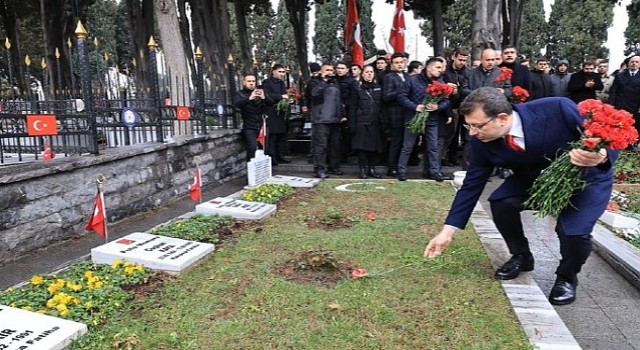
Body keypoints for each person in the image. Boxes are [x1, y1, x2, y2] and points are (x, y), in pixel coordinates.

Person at [424, 87, 617, 306]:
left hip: (586, 178)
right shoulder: (481, 141)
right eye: (469, 126)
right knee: (501, 201)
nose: (472, 133)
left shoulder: (557, 109)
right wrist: (447, 232)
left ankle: (567, 277)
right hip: (534, 178)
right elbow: (471, 186)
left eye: (477, 126)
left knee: (573, 232)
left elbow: (608, 135)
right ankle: (521, 256)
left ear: (503, 118)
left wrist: (600, 156)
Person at [397, 56, 452, 182]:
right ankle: (401, 171)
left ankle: (435, 172)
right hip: (413, 118)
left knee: (433, 147)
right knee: (408, 146)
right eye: (438, 67)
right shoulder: (412, 80)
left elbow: (446, 101)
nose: (441, 71)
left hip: (432, 120)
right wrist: (415, 106)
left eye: (442, 68)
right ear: (428, 67)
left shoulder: (441, 82)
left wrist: (437, 106)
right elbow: (401, 97)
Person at [308, 63, 343, 178]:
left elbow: (338, 100)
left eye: (331, 70)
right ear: (321, 71)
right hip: (321, 119)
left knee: (335, 145)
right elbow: (314, 94)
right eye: (327, 70)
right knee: (321, 146)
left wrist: (341, 114)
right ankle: (319, 169)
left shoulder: (335, 82)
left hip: (335, 119)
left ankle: (334, 167)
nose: (330, 72)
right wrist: (323, 81)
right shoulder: (314, 82)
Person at [349, 65, 383, 179]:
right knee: (362, 148)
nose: (369, 74)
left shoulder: (378, 87)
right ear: (362, 74)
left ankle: (372, 169)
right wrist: (352, 124)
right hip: (361, 122)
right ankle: (362, 170)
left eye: (371, 72)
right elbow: (352, 107)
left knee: (373, 148)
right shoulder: (357, 88)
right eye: (367, 72)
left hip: (375, 122)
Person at [233, 73, 273, 160]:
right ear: (244, 82)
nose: (251, 83)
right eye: (249, 81)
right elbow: (237, 104)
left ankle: (262, 170)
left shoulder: (260, 92)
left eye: (253, 81)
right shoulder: (240, 94)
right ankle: (251, 170)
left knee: (265, 149)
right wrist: (249, 98)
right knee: (252, 148)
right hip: (249, 126)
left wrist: (263, 97)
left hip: (262, 126)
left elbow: (271, 103)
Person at [382, 53, 410, 177]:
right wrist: (401, 90)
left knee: (406, 142)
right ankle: (391, 167)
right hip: (395, 114)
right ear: (391, 64)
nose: (399, 64)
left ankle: (402, 166)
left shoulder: (408, 76)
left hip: (408, 113)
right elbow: (386, 96)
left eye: (401, 62)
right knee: (396, 142)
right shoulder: (389, 77)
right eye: (396, 62)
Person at [262, 64, 291, 165]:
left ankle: (280, 156)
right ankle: (272, 157)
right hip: (271, 112)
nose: (282, 74)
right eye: (280, 72)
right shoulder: (266, 82)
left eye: (283, 72)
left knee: (280, 137)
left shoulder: (282, 83)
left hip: (280, 114)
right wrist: (281, 96)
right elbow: (266, 95)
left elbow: (285, 95)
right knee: (273, 137)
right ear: (273, 71)